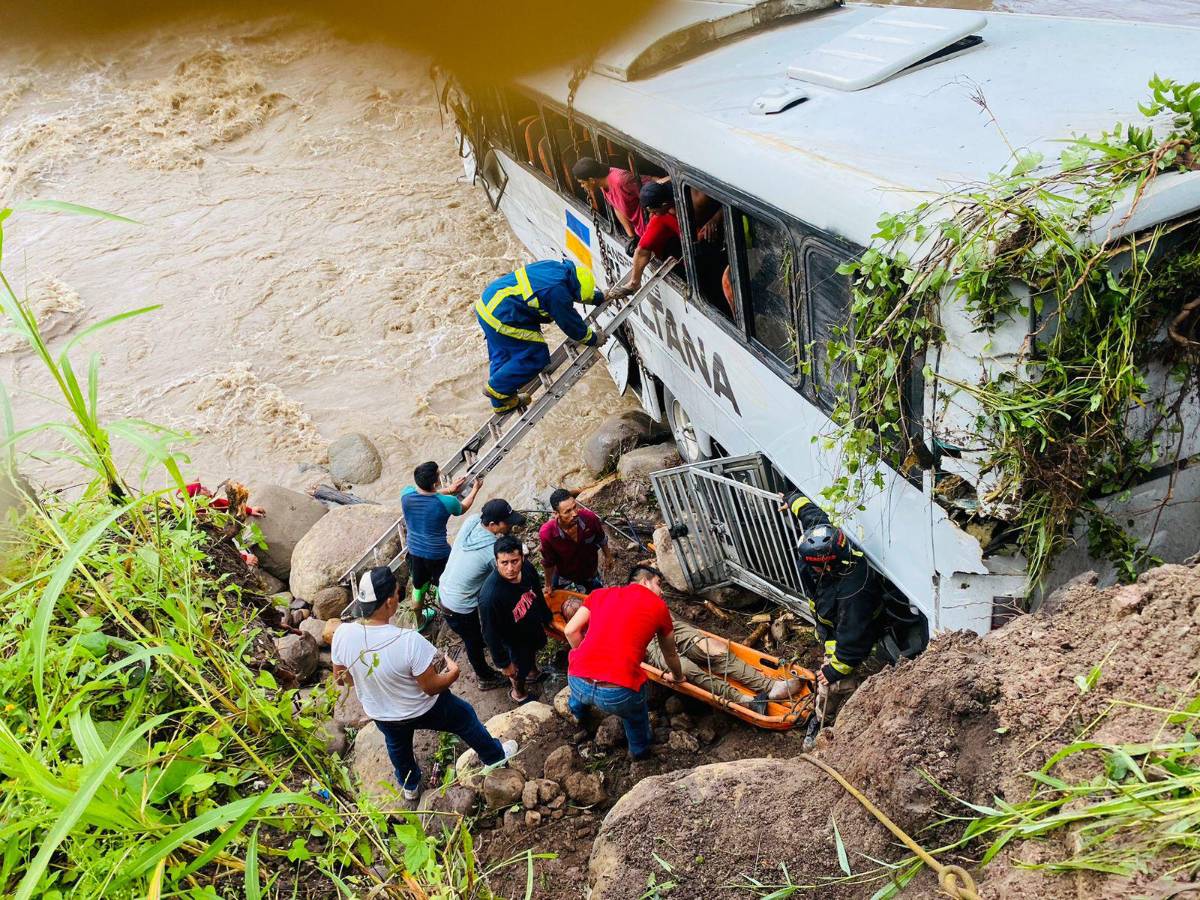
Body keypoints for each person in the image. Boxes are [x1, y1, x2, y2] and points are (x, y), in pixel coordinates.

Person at [331, 566, 517, 801]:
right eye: (397, 592)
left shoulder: (342, 634)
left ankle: (410, 786)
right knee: (465, 717)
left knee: (398, 747)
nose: (399, 596)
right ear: (389, 602)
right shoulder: (409, 640)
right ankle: (495, 756)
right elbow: (431, 687)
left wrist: (373, 679)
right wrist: (454, 671)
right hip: (424, 708)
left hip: (382, 714)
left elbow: (341, 678)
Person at [560, 595, 808, 710]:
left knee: (712, 650)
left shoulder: (603, 604)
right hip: (645, 645)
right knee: (686, 668)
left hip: (654, 623)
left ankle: (770, 685)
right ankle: (745, 700)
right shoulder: (589, 632)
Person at [784, 490, 886, 733]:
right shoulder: (828, 542)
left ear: (827, 565)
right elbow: (812, 515)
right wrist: (791, 499)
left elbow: (853, 635)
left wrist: (834, 669)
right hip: (831, 625)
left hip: (846, 635)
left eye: (813, 566)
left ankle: (823, 722)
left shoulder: (853, 592)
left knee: (830, 686)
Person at [564, 565, 685, 760]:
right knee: (636, 716)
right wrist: (678, 677)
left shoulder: (598, 594)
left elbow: (570, 631)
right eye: (658, 584)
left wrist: (584, 659)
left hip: (577, 680)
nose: (661, 591)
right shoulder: (658, 606)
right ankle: (639, 752)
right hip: (618, 693)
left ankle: (579, 715)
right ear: (645, 581)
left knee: (579, 696)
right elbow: (670, 653)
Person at [477, 259, 607, 413]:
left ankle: (501, 404)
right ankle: (497, 388)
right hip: (505, 315)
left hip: (488, 306)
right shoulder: (558, 294)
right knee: (536, 355)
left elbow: (576, 293)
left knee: (504, 355)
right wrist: (593, 338)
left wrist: (600, 298)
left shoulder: (557, 269)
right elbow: (571, 326)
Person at [437, 498, 527, 690]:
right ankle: (484, 677)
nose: (509, 525)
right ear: (492, 524)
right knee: (473, 641)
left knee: (475, 634)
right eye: (506, 523)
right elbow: (512, 577)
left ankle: (484, 643)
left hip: (444, 589)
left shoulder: (472, 521)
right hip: (458, 606)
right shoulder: (490, 552)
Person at [401, 461, 482, 628]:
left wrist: (450, 489)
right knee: (443, 584)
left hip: (414, 550)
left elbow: (426, 494)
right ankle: (449, 618)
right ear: (435, 482)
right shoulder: (447, 502)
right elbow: (463, 507)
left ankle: (419, 621)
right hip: (438, 554)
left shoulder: (406, 495)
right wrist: (475, 489)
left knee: (418, 587)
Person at [478, 535, 553, 705]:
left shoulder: (527, 569)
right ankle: (519, 693)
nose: (510, 568)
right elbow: (489, 634)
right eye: (504, 563)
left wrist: (546, 616)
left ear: (522, 558)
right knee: (518, 671)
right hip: (512, 641)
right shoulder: (490, 597)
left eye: (514, 561)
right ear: (496, 562)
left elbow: (537, 592)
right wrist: (504, 663)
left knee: (533, 652)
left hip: (531, 626)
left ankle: (533, 674)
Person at [539, 488, 612, 593]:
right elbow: (548, 562)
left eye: (574, 507)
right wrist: (548, 584)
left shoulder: (590, 519)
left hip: (589, 570)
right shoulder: (547, 534)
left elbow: (601, 539)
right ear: (556, 514)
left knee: (596, 594)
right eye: (567, 511)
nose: (574, 514)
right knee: (558, 596)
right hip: (564, 574)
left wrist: (608, 557)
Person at [571, 156, 650, 251]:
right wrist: (632, 236)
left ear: (592, 180)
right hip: (641, 233)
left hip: (651, 230)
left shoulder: (621, 181)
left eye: (583, 183)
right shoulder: (602, 183)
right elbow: (617, 208)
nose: (582, 186)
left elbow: (651, 192)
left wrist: (651, 232)